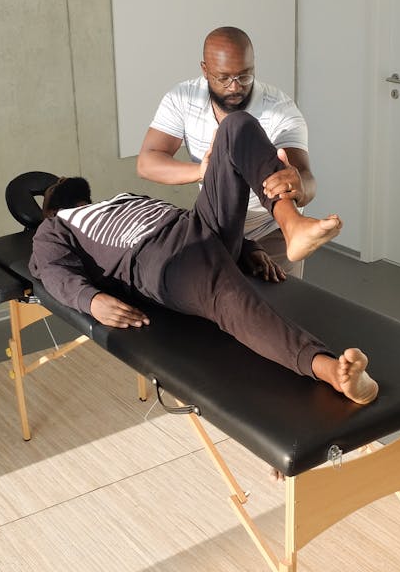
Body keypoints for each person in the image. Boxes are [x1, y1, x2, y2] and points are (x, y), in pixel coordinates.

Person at [31, 111, 377, 406]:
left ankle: (292, 224)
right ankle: (331, 371)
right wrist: (91, 301)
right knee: (231, 301)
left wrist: (248, 248)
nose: (62, 183)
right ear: (52, 208)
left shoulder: (124, 197)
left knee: (236, 125)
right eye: (56, 187)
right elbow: (51, 270)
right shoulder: (54, 227)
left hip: (196, 226)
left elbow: (179, 215)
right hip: (163, 260)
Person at [137, 26, 315, 278]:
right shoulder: (183, 98)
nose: (235, 87)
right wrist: (201, 171)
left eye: (245, 76)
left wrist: (300, 185)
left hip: (270, 231)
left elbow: (307, 180)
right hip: (218, 226)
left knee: (279, 309)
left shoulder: (279, 110)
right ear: (204, 70)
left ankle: (294, 226)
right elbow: (147, 162)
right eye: (224, 78)